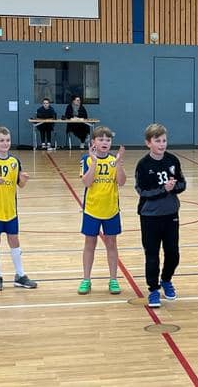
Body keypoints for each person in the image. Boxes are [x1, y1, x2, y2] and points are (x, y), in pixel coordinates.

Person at [0, 127, 36, 292]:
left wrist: (24, 180)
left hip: (10, 211)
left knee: (14, 240)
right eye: (1, 140)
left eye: (8, 140)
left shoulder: (14, 161)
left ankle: (20, 275)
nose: (5, 143)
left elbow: (20, 185)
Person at [134, 123, 187, 308]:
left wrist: (174, 187)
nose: (162, 144)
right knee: (152, 254)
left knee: (173, 253)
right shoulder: (143, 165)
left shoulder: (172, 160)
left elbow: (182, 183)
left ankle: (166, 280)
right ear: (148, 143)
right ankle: (153, 289)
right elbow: (142, 191)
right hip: (150, 216)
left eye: (164, 140)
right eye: (157, 141)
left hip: (171, 214)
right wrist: (163, 189)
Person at [78, 126, 126, 295]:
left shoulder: (113, 160)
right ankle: (86, 279)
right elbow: (87, 182)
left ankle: (113, 279)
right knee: (89, 244)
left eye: (108, 140)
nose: (105, 142)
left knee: (111, 244)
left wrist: (118, 164)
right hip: (92, 210)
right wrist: (94, 163)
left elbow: (121, 182)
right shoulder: (86, 159)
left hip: (111, 210)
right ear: (93, 142)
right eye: (101, 139)